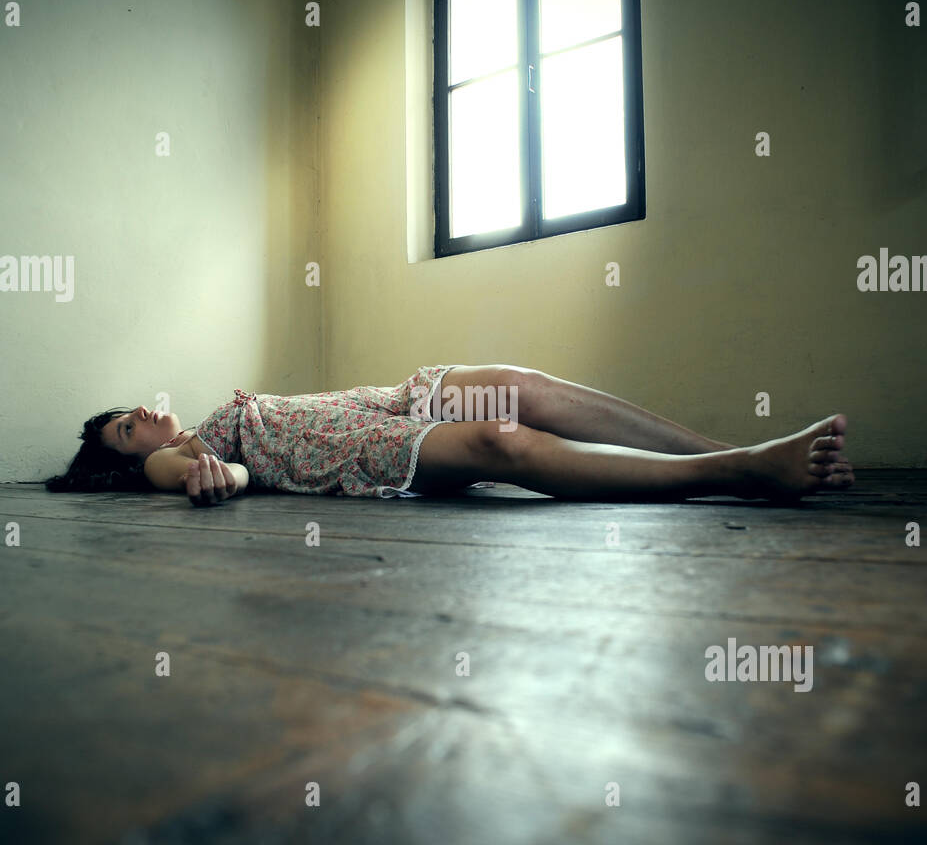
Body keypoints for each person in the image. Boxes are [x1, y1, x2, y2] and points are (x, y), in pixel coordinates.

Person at [44, 362, 854, 508]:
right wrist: (222, 479)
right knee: (505, 440)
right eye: (125, 428)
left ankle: (726, 446)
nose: (141, 419)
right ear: (128, 453)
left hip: (379, 401)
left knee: (525, 389)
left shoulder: (195, 424)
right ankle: (746, 470)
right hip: (346, 452)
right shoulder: (164, 461)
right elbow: (222, 477)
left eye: (131, 414)